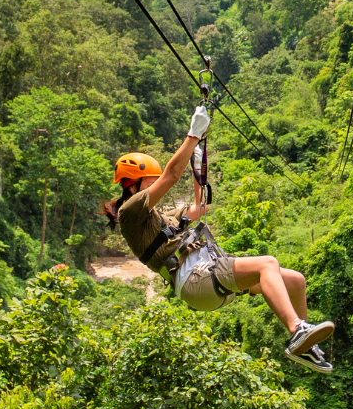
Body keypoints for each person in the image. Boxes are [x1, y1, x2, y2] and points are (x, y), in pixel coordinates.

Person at [101, 105, 335, 373]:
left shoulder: (159, 216)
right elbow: (170, 175)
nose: (155, 187)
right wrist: (192, 135)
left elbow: (200, 209)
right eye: (149, 182)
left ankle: (304, 346)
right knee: (267, 264)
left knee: (295, 281)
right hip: (196, 278)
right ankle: (296, 330)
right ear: (132, 185)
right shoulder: (131, 213)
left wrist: (197, 167)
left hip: (203, 279)